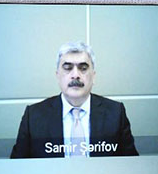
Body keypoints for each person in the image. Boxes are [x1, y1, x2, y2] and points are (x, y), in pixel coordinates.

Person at [10, 42, 138, 158]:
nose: (75, 75)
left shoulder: (115, 113)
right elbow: (17, 167)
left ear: (93, 76)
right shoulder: (33, 116)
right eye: (67, 68)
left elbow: (131, 166)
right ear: (57, 76)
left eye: (83, 68)